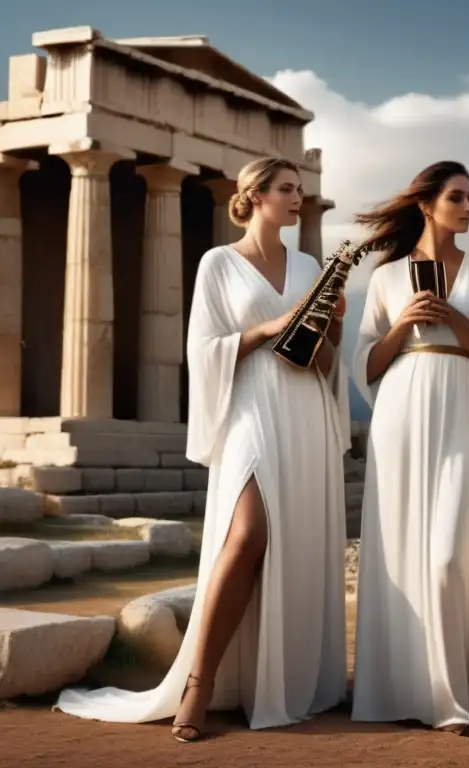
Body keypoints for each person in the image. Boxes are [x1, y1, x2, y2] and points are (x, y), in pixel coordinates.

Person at [54, 157, 352, 741]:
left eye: (300, 189)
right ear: (257, 195)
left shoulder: (312, 265)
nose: (298, 199)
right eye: (287, 189)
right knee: (246, 536)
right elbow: (204, 350)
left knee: (289, 541)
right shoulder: (219, 263)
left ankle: (281, 680)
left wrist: (330, 324)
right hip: (248, 408)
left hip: (302, 412)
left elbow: (324, 363)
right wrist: (271, 326)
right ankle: (199, 684)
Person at [349, 160, 469, 734]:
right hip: (400, 414)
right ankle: (404, 691)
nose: (468, 206)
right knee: (400, 551)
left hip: (461, 413)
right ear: (427, 203)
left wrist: (455, 319)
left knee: (447, 556)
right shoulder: (388, 277)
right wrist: (402, 328)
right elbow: (366, 366)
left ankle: (452, 695)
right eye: (457, 197)